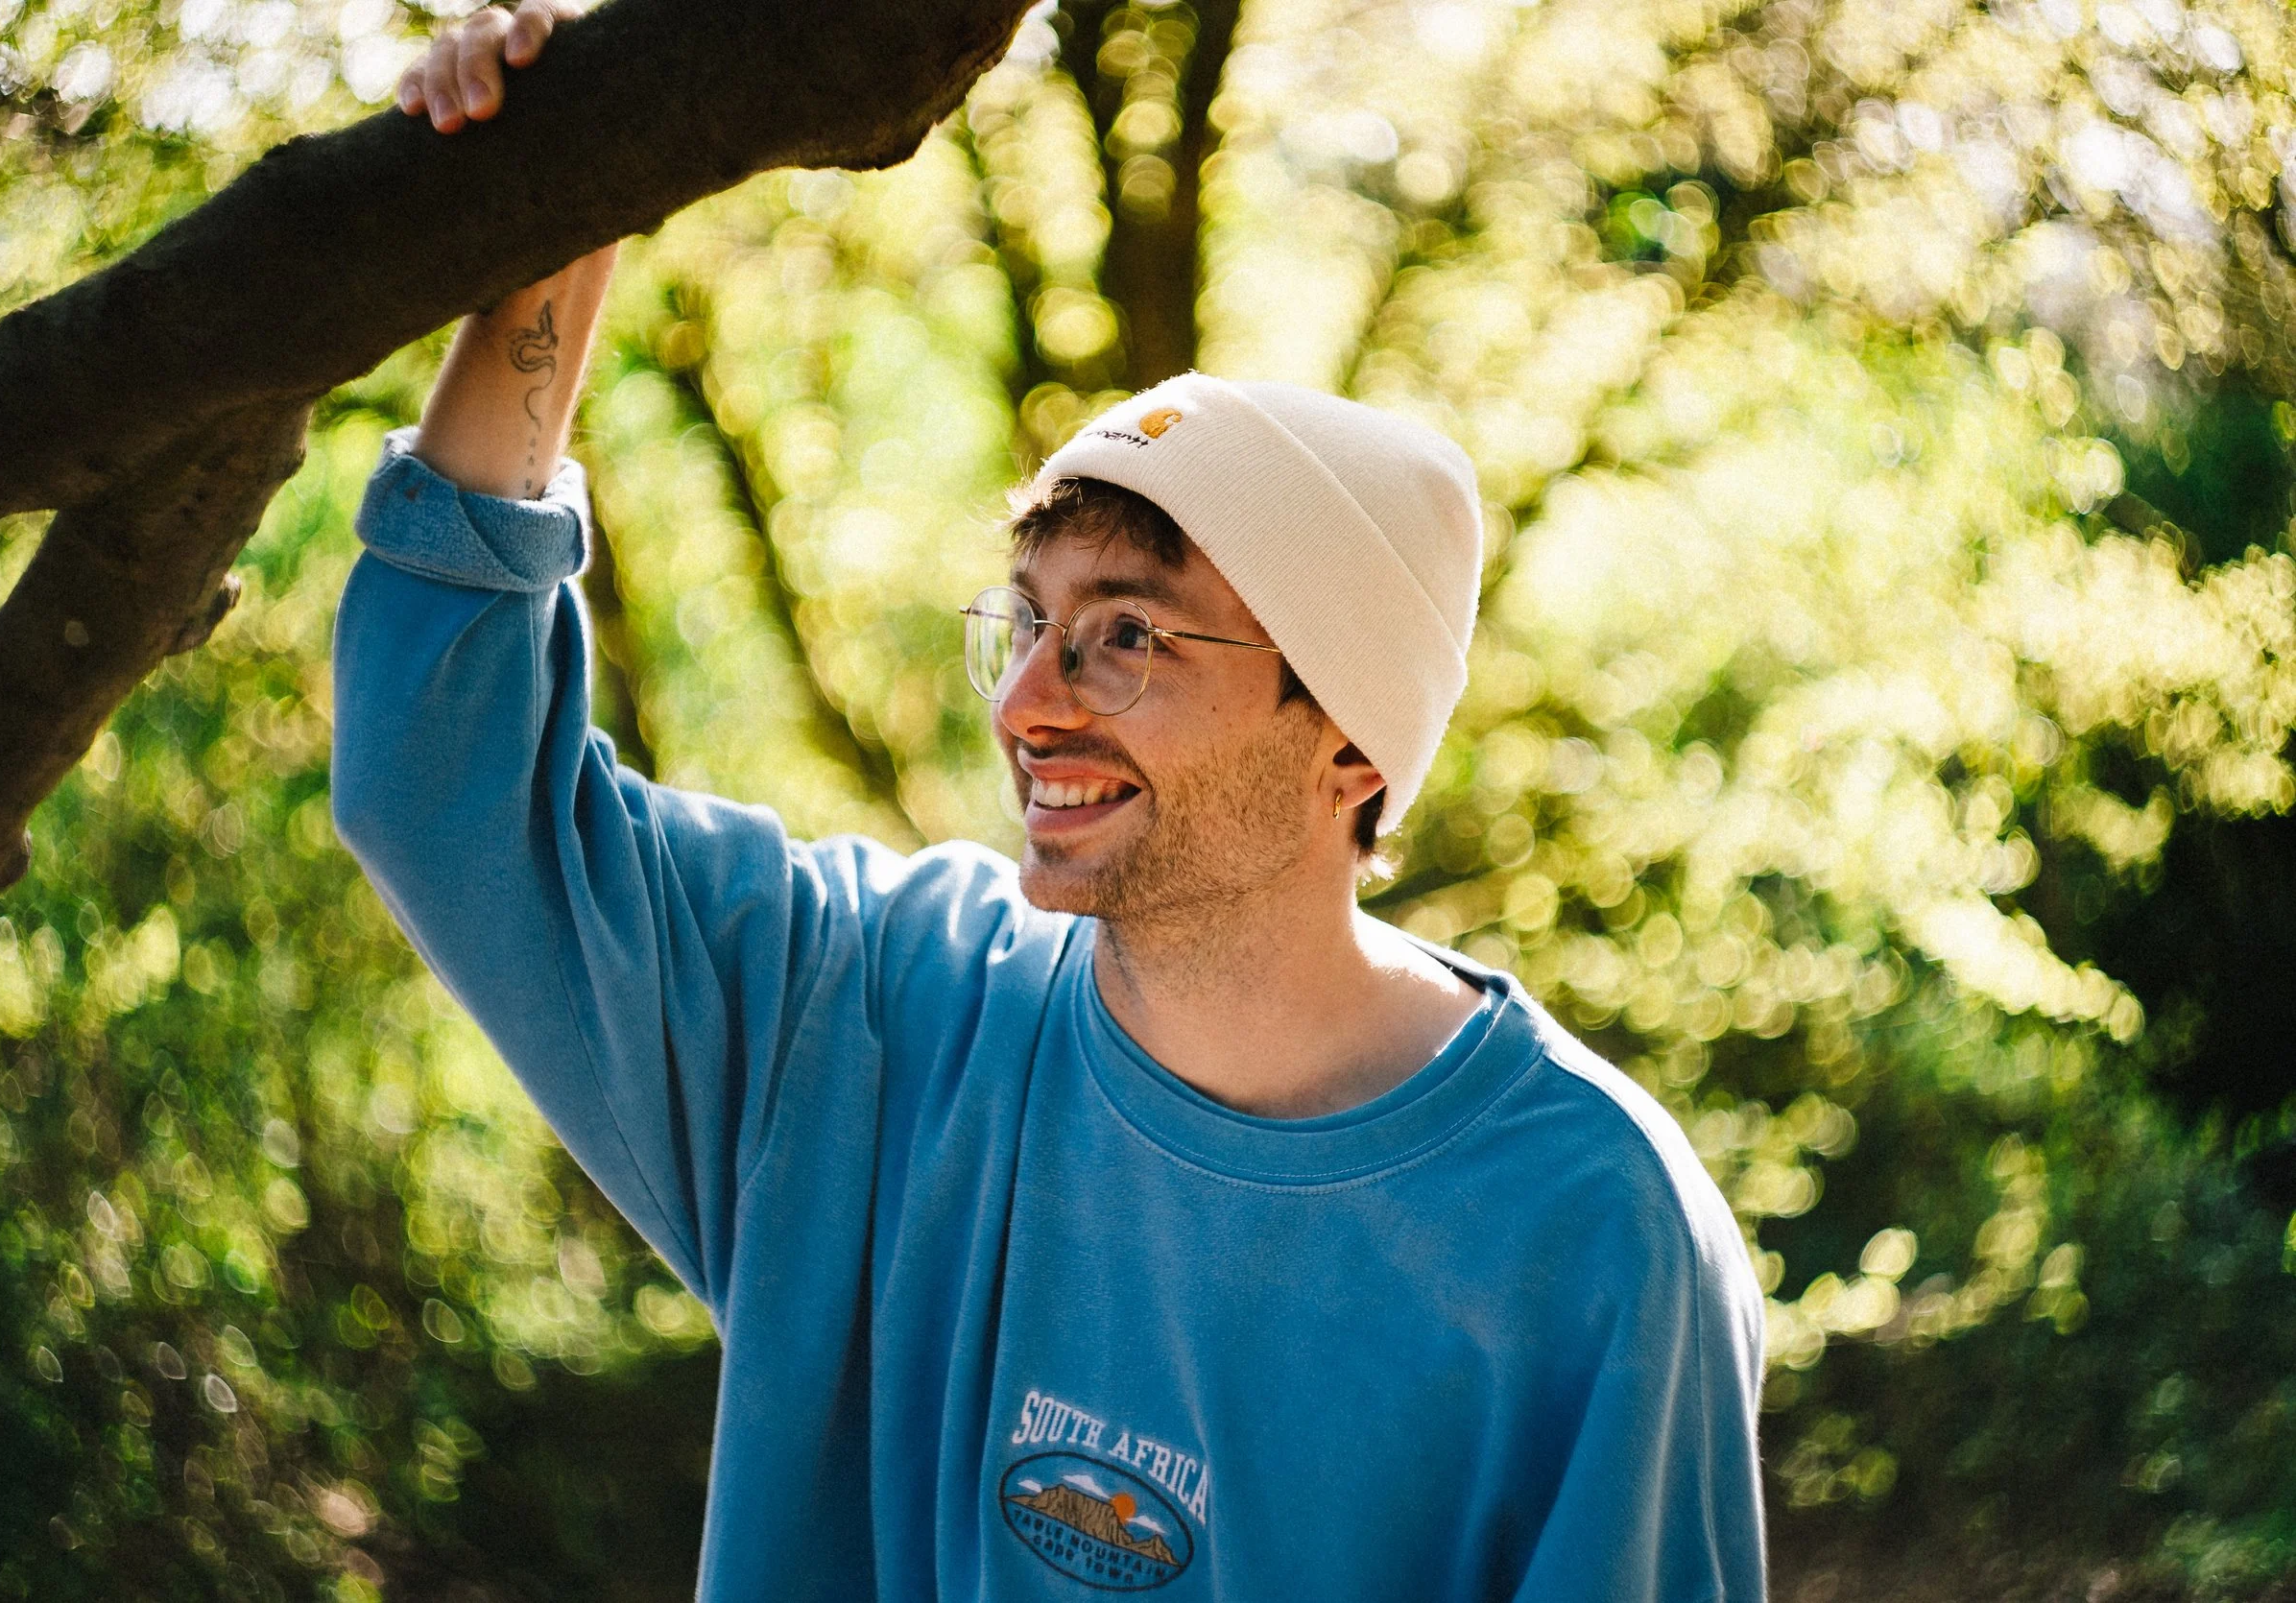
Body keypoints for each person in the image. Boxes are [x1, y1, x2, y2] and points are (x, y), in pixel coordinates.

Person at [332, 8, 1768, 1598]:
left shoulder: (1596, 1240)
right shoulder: (868, 1022)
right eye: (1028, 621)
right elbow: (441, 779)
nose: (1026, 703)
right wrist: (559, 208)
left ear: (1349, 744)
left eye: (1127, 637)